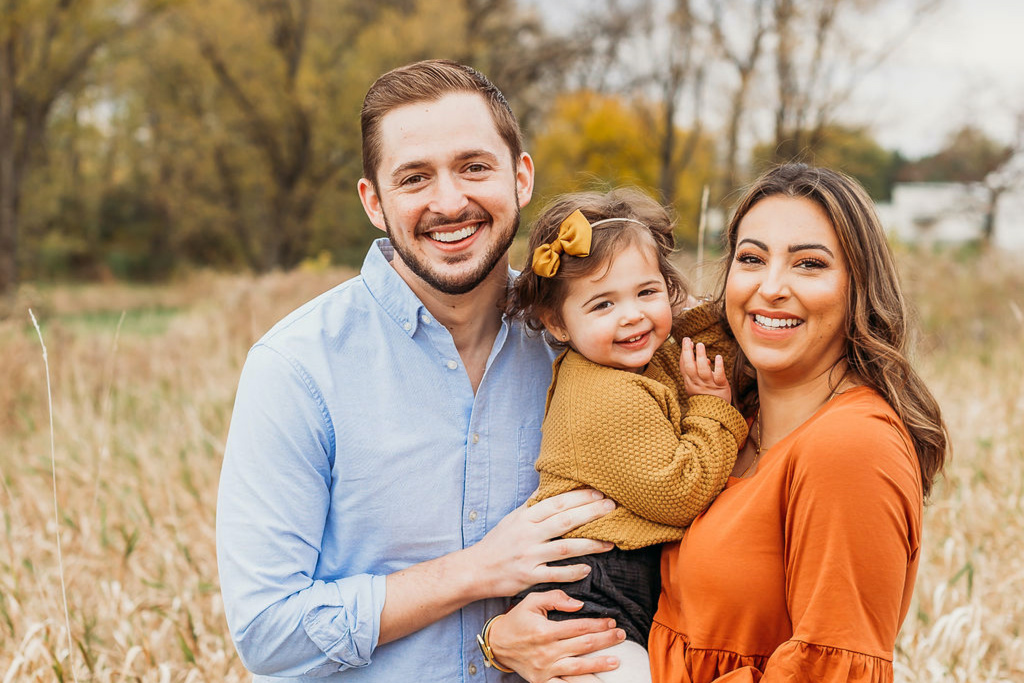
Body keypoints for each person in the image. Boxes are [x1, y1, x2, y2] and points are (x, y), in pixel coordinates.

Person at [216, 59, 623, 682]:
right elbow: (269, 633)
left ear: (521, 176)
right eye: (414, 178)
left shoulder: (580, 347)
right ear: (374, 202)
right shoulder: (297, 368)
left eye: (474, 167)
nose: (449, 201)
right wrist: (478, 571)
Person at [646, 164, 950, 682]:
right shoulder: (728, 420)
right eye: (751, 258)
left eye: (809, 264)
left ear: (858, 288)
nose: (771, 287)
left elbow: (828, 672)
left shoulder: (852, 446)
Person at [499, 188, 748, 683]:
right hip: (585, 607)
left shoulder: (640, 355)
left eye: (646, 292)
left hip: (617, 598)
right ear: (557, 323)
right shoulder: (604, 396)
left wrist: (689, 314)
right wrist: (712, 412)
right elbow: (680, 492)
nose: (631, 315)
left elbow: (724, 357)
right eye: (602, 304)